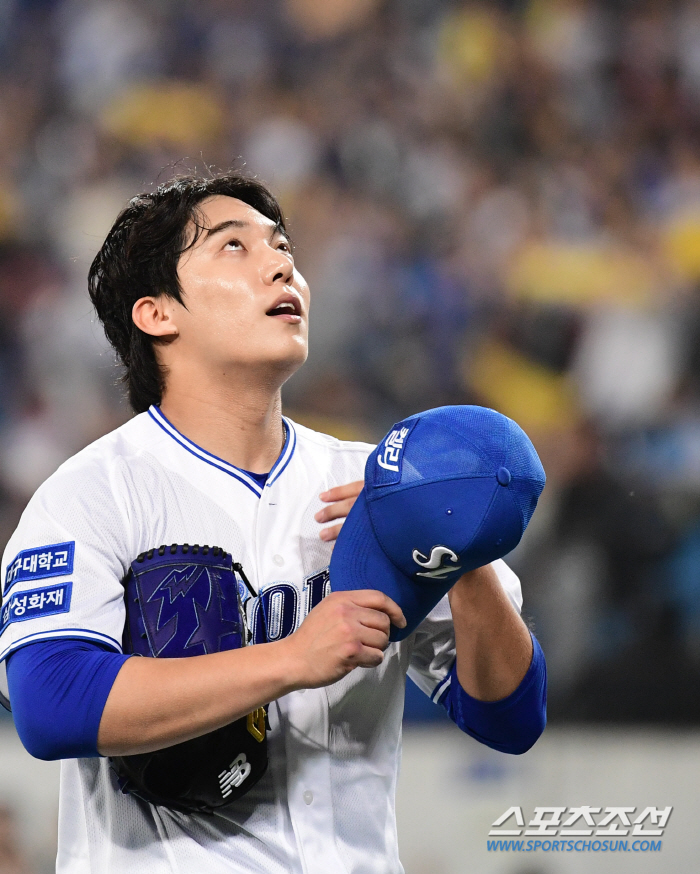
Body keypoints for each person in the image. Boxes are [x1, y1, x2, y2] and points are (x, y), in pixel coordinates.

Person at [0, 173, 546, 873]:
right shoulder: (93, 492)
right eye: (234, 247)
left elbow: (510, 719)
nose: (281, 263)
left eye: (282, 246)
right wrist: (292, 658)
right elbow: (52, 707)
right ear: (157, 313)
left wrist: (462, 557)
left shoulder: (383, 481)